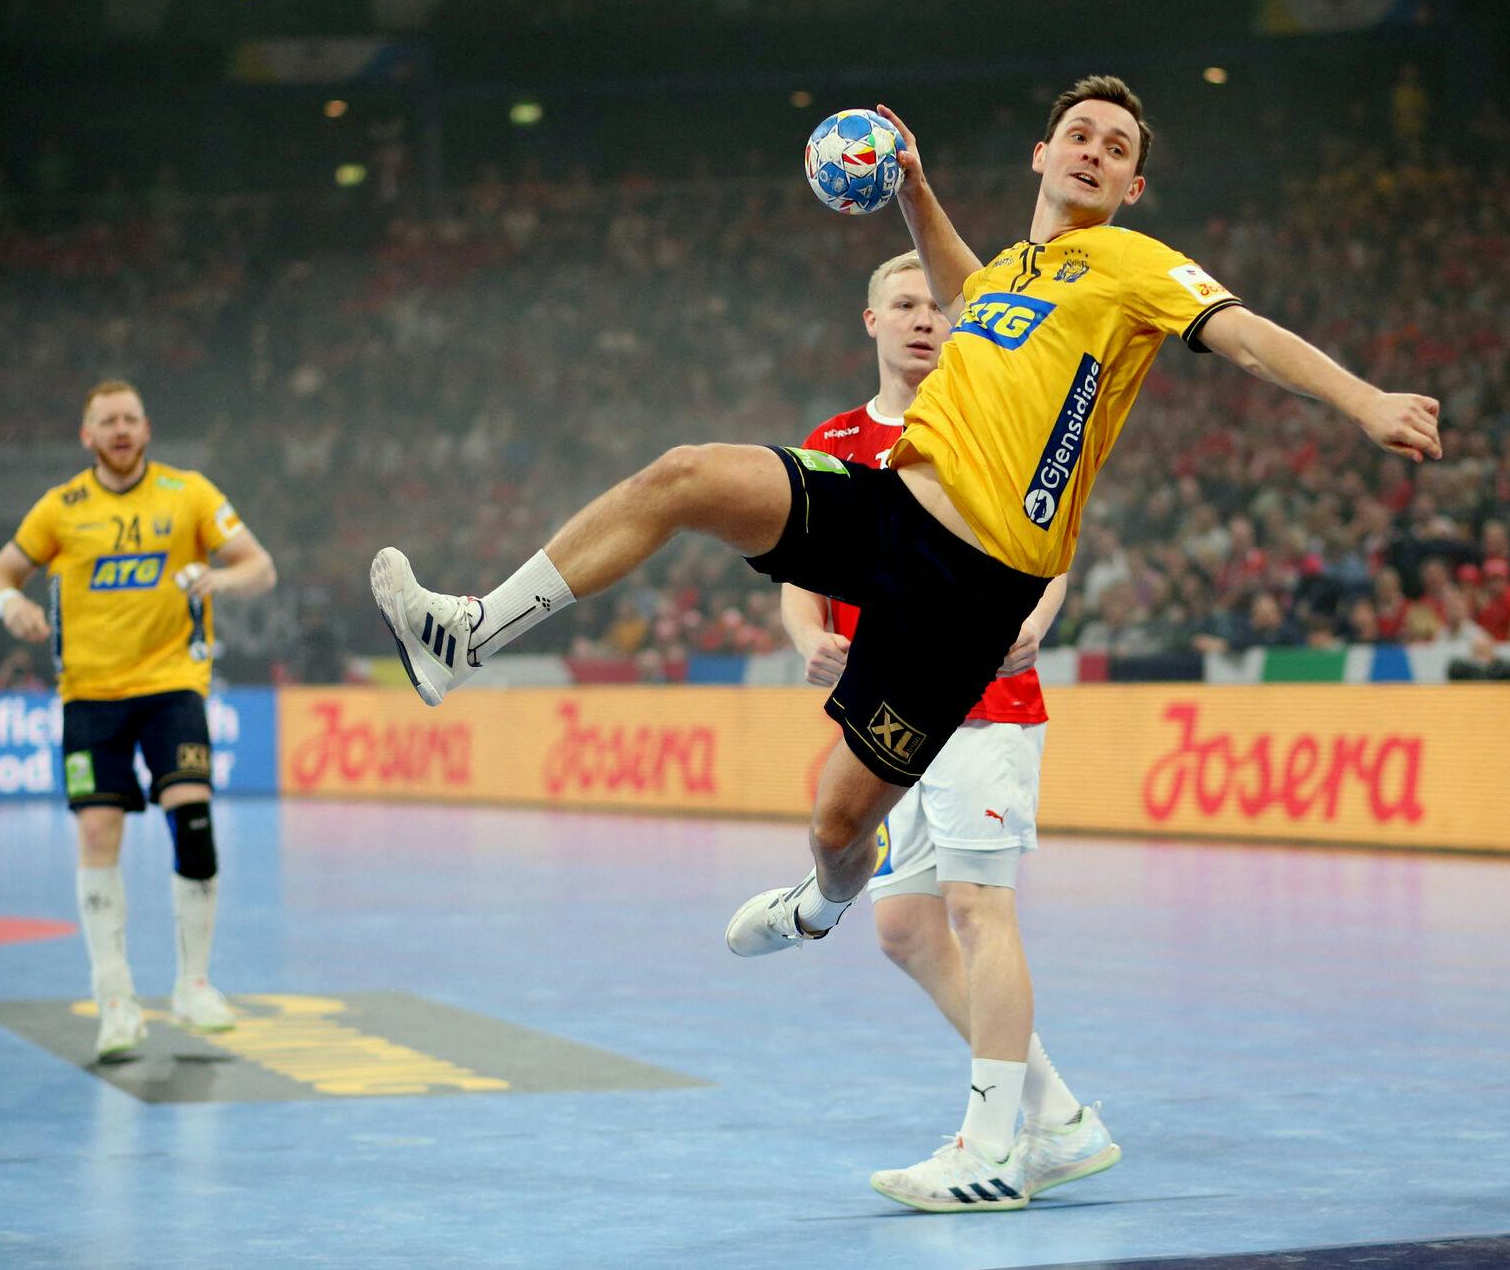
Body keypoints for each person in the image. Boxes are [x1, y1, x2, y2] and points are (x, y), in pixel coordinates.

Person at [371, 75, 1440, 1205]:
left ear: (1134, 184)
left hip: (973, 585)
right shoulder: (1011, 280)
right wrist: (916, 189)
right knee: (686, 473)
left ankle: (987, 1142)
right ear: (1039, 153)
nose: (1091, 150)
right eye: (1076, 133)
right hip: (887, 508)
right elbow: (972, 290)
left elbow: (1249, 334)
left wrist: (1364, 401)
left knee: (851, 829)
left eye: (1114, 146)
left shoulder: (1129, 268)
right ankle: (471, 633)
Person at [780, 251, 1116, 1208]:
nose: (925, 319)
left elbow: (1056, 529)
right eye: (905, 305)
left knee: (979, 909)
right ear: (872, 322)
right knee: (903, 927)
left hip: (980, 704)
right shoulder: (835, 438)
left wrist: (1039, 622)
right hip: (886, 721)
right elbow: (804, 576)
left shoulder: (994, 411)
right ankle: (1057, 1118)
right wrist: (808, 635)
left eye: (938, 305)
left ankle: (995, 1144)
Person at [0, 381, 277, 1060]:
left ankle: (193, 984)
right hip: (89, 695)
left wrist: (221, 580)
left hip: (173, 686)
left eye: (130, 418)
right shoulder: (59, 509)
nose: (120, 429)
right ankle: (115, 999)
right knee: (98, 827)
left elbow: (260, 567)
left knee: (191, 813)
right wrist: (9, 609)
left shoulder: (189, 494)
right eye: (106, 421)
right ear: (87, 436)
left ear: (147, 428)